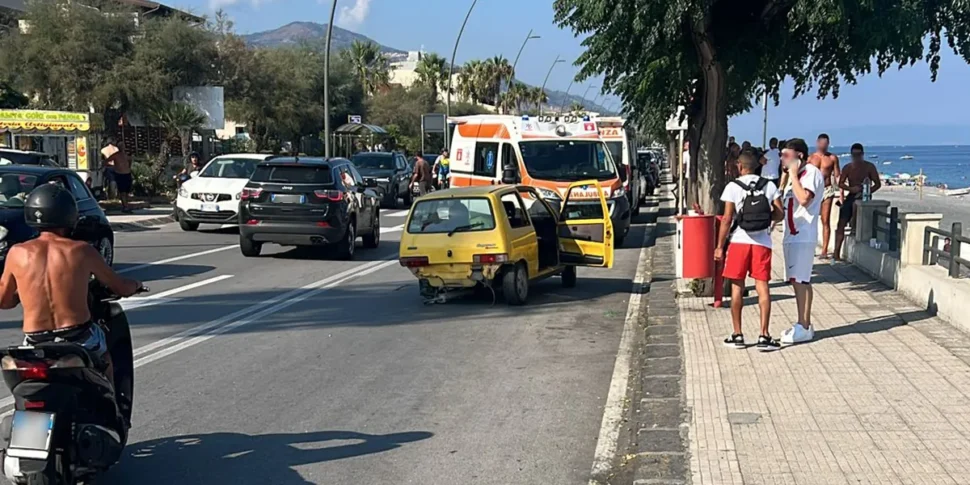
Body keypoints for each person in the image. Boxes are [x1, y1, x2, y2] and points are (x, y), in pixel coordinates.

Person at [0, 184, 141, 386]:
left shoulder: (16, 253)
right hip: (78, 338)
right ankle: (113, 412)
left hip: (36, 341)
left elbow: (4, 301)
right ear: (69, 215)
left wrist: (20, 294)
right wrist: (135, 285)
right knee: (106, 360)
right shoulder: (81, 251)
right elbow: (119, 286)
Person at [715, 151, 784, 351]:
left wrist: (720, 246)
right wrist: (765, 219)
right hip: (762, 243)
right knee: (762, 287)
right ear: (758, 166)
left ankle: (737, 335)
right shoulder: (769, 185)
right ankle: (764, 335)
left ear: (740, 165)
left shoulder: (733, 187)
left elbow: (727, 219)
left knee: (737, 287)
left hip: (739, 242)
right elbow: (779, 214)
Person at [779, 138, 826, 345]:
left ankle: (804, 325)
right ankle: (803, 323)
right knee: (797, 280)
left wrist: (793, 175)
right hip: (792, 235)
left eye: (786, 155)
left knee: (801, 280)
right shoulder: (794, 176)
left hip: (803, 236)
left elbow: (804, 199)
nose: (782, 158)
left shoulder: (811, 173)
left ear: (798, 156)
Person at [834, 143, 881, 261]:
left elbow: (877, 183)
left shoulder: (869, 167)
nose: (857, 157)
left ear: (863, 154)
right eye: (854, 155)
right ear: (851, 155)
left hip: (864, 197)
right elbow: (840, 183)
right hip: (851, 195)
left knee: (857, 206)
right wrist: (851, 189)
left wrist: (868, 191)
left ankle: (854, 227)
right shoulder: (848, 167)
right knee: (841, 224)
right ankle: (836, 252)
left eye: (859, 154)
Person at [808, 134, 841, 259]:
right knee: (811, 219)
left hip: (827, 190)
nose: (823, 146)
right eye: (822, 143)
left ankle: (824, 251)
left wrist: (841, 191)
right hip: (813, 190)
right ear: (817, 143)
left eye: (826, 143)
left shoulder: (832, 158)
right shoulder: (811, 158)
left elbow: (837, 175)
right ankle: (811, 246)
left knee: (825, 220)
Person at [106, 141, 133, 213]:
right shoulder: (115, 155)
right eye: (120, 146)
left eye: (123, 145)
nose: (122, 147)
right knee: (122, 192)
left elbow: (130, 160)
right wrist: (113, 168)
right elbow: (107, 161)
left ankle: (126, 205)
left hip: (127, 174)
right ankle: (125, 206)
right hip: (120, 174)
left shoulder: (126, 155)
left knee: (127, 192)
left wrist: (129, 168)